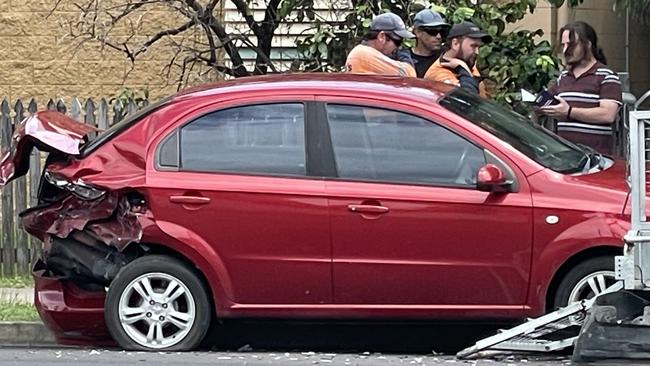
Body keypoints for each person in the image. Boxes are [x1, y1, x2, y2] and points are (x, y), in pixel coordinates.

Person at [539, 21, 622, 155]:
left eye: (571, 45)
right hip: (566, 158)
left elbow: (608, 115)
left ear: (587, 45)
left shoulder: (606, 76)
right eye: (563, 45)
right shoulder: (563, 77)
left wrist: (569, 112)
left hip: (596, 160)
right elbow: (549, 103)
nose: (565, 50)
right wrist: (538, 105)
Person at [423, 21, 491, 97]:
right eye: (473, 46)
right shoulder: (439, 74)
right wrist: (463, 70)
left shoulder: (466, 62)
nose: (477, 52)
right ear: (455, 44)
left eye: (479, 47)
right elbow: (468, 100)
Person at [345, 12, 416, 77]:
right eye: (398, 41)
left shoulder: (361, 51)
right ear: (381, 37)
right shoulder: (364, 55)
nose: (398, 46)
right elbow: (409, 74)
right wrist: (403, 53)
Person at [410, 9, 450, 78]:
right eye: (433, 31)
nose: (438, 36)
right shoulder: (403, 57)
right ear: (418, 32)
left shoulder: (447, 56)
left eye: (442, 32)